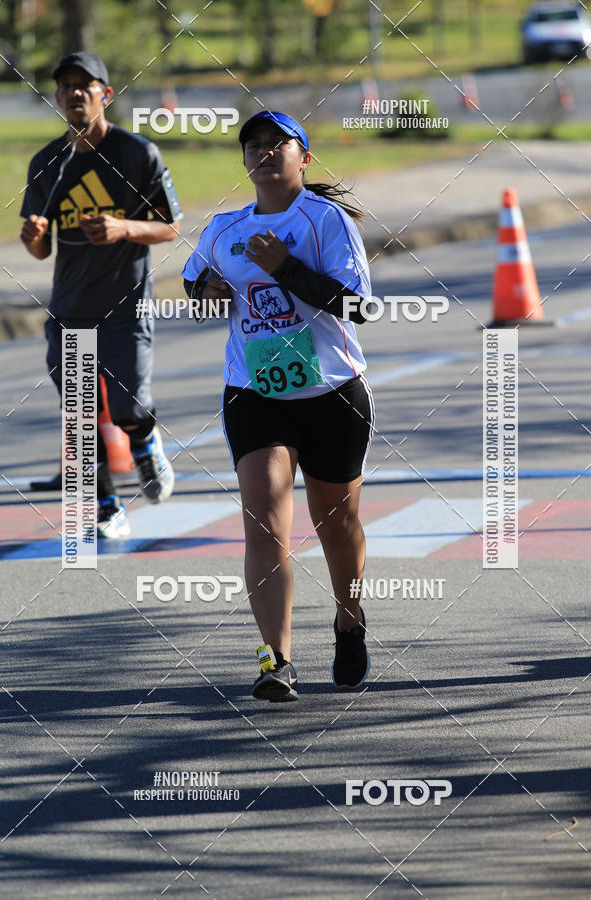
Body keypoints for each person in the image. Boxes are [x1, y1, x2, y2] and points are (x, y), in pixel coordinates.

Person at [182, 111, 375, 701]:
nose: (264, 152)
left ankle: (348, 617)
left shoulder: (327, 222)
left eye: (277, 143)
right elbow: (193, 281)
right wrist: (204, 292)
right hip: (255, 392)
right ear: (245, 160)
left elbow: (359, 308)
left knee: (334, 524)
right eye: (254, 145)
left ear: (304, 157)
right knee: (263, 517)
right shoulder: (223, 228)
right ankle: (277, 661)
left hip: (332, 392)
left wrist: (285, 270)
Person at [20, 52, 182, 538]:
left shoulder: (137, 155)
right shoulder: (47, 162)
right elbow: (40, 248)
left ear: (105, 95)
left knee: (130, 408)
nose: (74, 93)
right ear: (56, 98)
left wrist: (121, 228)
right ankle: (107, 506)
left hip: (124, 306)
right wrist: (32, 238)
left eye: (84, 85)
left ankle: (145, 441)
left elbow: (170, 227)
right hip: (70, 310)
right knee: (80, 416)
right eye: (65, 86)